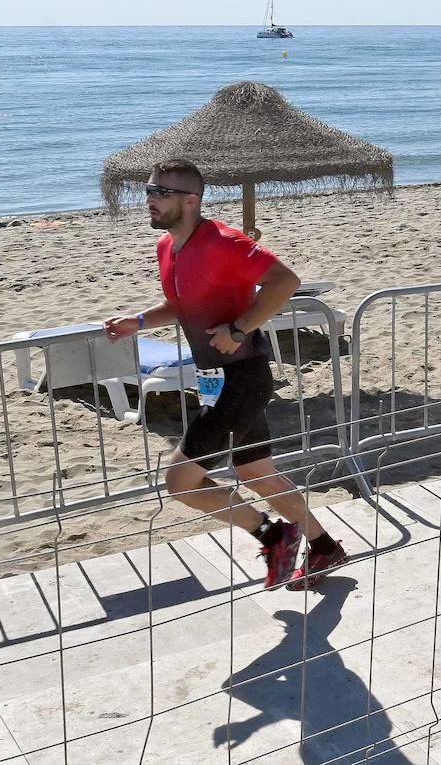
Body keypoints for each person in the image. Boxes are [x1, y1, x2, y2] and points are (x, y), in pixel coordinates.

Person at [104, 160, 347, 590]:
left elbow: (285, 281)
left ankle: (273, 535)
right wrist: (138, 322)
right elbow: (184, 306)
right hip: (214, 380)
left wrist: (240, 329)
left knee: (181, 482)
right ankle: (324, 546)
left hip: (243, 378)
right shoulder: (168, 247)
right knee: (259, 474)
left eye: (160, 191)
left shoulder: (221, 241)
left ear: (190, 200)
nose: (150, 198)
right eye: (149, 189)